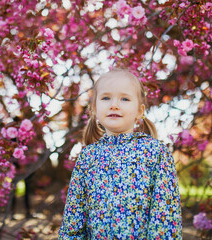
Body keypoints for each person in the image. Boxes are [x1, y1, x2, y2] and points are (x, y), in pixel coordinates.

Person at [59, 69, 182, 239]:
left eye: (124, 99)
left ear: (140, 111)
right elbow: (74, 217)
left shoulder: (155, 153)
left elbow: (165, 217)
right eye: (106, 98)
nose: (114, 105)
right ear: (94, 108)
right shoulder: (88, 156)